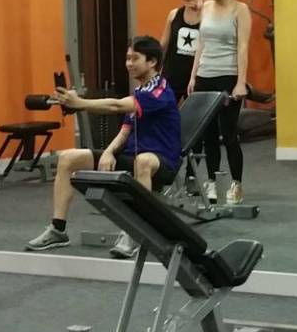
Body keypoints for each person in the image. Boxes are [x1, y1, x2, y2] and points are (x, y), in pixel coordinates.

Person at [25, 35, 181, 258]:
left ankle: (136, 233)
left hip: (162, 161)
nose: (129, 63)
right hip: (132, 156)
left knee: (143, 161)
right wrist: (108, 152)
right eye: (127, 58)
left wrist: (79, 103)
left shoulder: (160, 92)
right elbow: (126, 130)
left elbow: (115, 106)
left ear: (152, 62)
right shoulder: (141, 91)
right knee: (68, 158)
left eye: (135, 58)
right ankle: (58, 230)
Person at [189, 0, 253, 204]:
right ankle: (212, 182)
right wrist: (193, 76)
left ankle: (236, 184)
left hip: (228, 75)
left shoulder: (240, 9)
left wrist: (241, 82)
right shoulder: (205, 7)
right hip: (205, 75)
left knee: (228, 133)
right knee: (208, 134)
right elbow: (201, 43)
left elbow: (243, 47)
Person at [163, 0, 203, 104]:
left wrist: (203, 8)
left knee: (194, 114)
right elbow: (163, 45)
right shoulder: (174, 14)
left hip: (196, 76)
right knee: (165, 112)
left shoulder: (209, 14)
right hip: (172, 75)